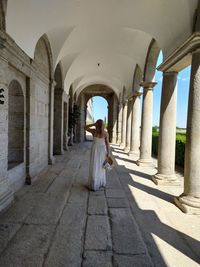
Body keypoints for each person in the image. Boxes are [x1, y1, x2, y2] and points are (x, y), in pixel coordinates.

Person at [84, 119, 110, 191]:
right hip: (99, 150)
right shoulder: (103, 133)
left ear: (97, 124)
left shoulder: (97, 132)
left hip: (97, 150)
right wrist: (108, 153)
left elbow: (85, 127)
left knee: (95, 165)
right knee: (99, 166)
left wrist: (93, 124)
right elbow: (107, 144)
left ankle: (95, 182)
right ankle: (97, 182)